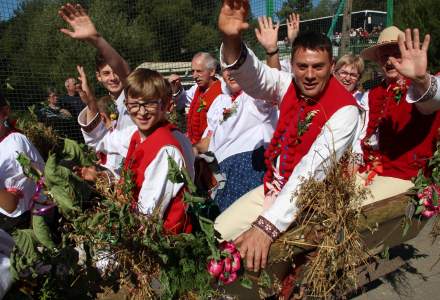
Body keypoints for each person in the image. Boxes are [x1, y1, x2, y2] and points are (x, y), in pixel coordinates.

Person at [216, 0, 360, 272]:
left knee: (269, 261)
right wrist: (231, 39)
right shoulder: (287, 84)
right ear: (291, 65)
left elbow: (312, 171)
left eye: (318, 66)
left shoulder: (346, 110)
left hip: (313, 201)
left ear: (331, 67)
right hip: (276, 188)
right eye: (302, 66)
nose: (308, 75)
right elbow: (255, 76)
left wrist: (267, 226)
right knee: (221, 232)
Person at [77, 69, 195, 234]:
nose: (142, 111)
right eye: (134, 104)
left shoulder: (166, 149)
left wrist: (106, 186)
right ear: (126, 105)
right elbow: (100, 141)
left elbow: (147, 216)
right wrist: (91, 103)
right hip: (144, 230)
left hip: (164, 241)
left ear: (165, 104)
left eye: (150, 103)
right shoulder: (139, 135)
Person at [356, 26, 440, 199]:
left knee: (356, 205)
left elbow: (433, 98)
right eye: (385, 56)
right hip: (370, 168)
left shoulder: (418, 88)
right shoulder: (374, 92)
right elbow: (363, 134)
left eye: (396, 54)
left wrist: (421, 80)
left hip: (405, 176)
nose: (390, 61)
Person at [58, 3, 132, 176]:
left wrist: (97, 40)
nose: (113, 78)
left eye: (115, 72)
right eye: (106, 73)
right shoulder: (104, 104)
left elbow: (125, 72)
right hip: (117, 181)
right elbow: (96, 141)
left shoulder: (133, 95)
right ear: (98, 77)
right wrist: (91, 103)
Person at [202, 69, 278, 211]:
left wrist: (271, 51)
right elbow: (209, 138)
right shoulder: (224, 102)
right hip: (222, 176)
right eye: (225, 70)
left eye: (235, 68)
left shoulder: (255, 98)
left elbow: (273, 87)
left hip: (245, 174)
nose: (230, 73)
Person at [0, 90, 45, 298]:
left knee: (26, 266)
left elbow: (13, 205)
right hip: (11, 220)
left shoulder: (15, 142)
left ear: (4, 113)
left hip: (21, 219)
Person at [185, 52, 223, 149]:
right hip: (195, 145)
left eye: (199, 71)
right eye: (192, 71)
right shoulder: (197, 89)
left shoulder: (222, 94)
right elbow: (183, 99)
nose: (194, 76)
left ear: (212, 72)